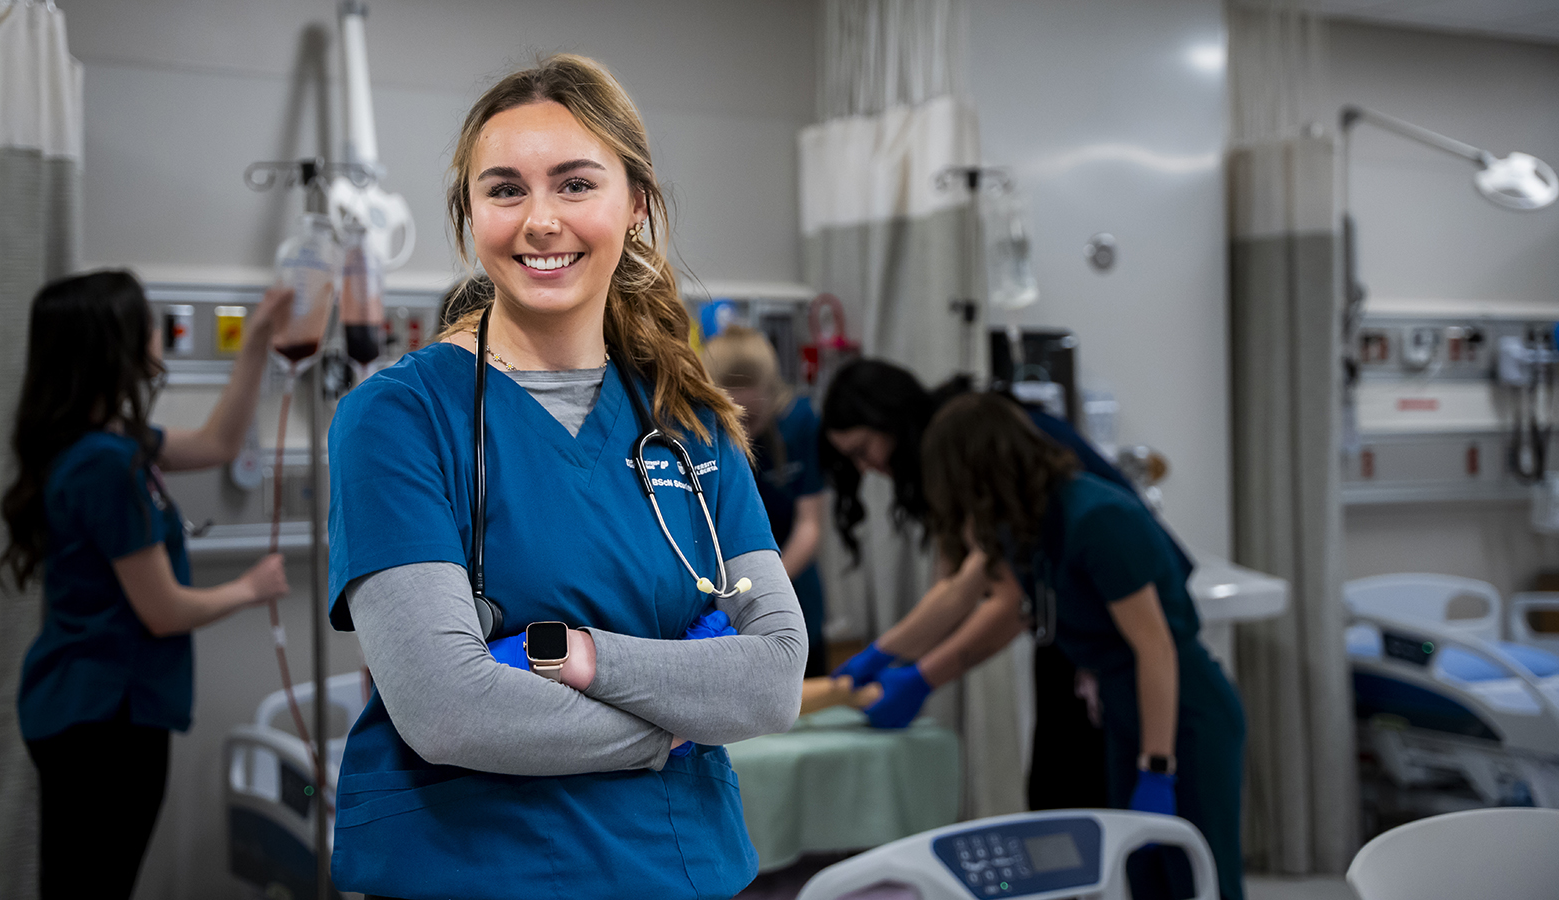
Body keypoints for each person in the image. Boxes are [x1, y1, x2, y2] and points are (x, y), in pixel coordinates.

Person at [323, 55, 805, 900]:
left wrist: (578, 657)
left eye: (576, 184)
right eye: (505, 189)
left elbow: (771, 681)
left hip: (681, 869)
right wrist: (678, 720)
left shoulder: (687, 424)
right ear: (470, 214)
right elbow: (449, 709)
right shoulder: (399, 419)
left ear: (637, 204)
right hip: (473, 872)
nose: (540, 220)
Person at [0, 270, 292, 899]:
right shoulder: (105, 465)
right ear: (113, 345)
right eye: (145, 322)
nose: (159, 332)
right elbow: (162, 611)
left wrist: (258, 342)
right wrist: (251, 586)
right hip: (103, 720)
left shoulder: (106, 443)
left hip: (88, 708)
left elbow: (218, 443)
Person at [922, 392, 1245, 900]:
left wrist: (1157, 768)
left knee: (1198, 880)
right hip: (1123, 712)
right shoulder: (1032, 525)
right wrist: (917, 673)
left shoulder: (1096, 519)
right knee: (1139, 876)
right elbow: (1019, 608)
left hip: (1185, 714)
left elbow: (1155, 649)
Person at [821, 358, 1132, 809]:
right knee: (1058, 795)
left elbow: (1009, 601)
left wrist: (922, 677)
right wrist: (886, 652)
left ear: (889, 420)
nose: (866, 468)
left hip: (1112, 628)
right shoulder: (948, 450)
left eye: (863, 450)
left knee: (1078, 798)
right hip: (1073, 624)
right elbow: (957, 586)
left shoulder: (973, 445)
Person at [702, 325, 828, 676]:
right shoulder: (698, 435)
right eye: (734, 418)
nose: (744, 426)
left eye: (752, 417)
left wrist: (767, 588)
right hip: (719, 599)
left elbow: (810, 524)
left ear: (772, 394)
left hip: (792, 584)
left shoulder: (799, 424)